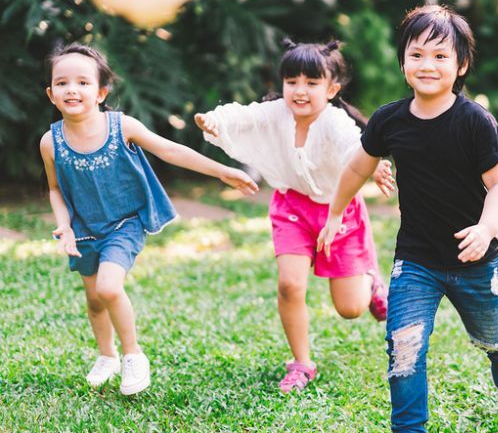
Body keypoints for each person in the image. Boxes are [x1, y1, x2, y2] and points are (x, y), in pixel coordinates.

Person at [317, 5, 498, 433]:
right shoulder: (389, 120)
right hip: (416, 260)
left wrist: (486, 229)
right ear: (403, 62)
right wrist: (335, 212)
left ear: (461, 64)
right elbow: (357, 168)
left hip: (474, 261)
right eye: (417, 54)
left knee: (487, 332)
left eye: (440, 55)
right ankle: (409, 427)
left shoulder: (475, 122)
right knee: (404, 344)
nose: (427, 65)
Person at [40, 43, 259, 395]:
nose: (72, 89)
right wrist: (64, 225)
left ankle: (133, 354)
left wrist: (221, 171)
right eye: (62, 83)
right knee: (95, 300)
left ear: (101, 92)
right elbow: (54, 189)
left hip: (123, 223)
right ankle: (106, 355)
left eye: (83, 82)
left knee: (109, 287)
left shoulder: (121, 125)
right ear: (51, 94)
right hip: (83, 229)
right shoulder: (50, 143)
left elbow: (170, 150)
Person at [194, 40, 393, 393]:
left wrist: (373, 168)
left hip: (338, 209)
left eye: (312, 83)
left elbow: (355, 147)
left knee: (350, 308)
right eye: (292, 81)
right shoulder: (276, 114)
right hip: (291, 209)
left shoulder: (334, 121)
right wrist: (214, 121)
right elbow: (244, 114)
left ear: (332, 89)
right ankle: (302, 363)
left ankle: (371, 282)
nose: (300, 91)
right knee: (289, 285)